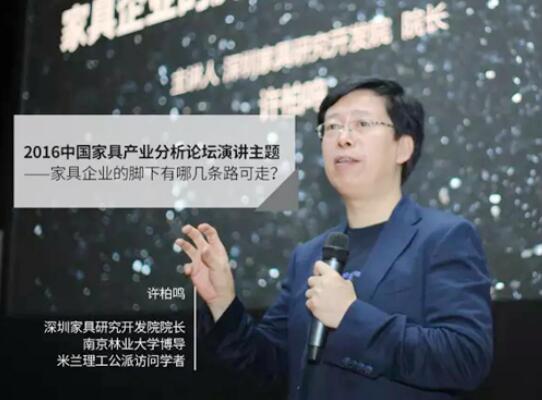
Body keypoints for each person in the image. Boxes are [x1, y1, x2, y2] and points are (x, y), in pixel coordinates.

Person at [175, 78, 493, 399]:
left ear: (403, 147)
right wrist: (223, 304)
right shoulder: (307, 255)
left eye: (362, 124)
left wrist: (350, 317)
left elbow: (465, 358)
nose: (343, 138)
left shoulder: (443, 238)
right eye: (331, 127)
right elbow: (267, 368)